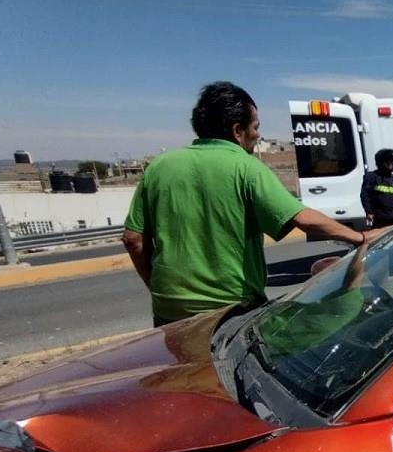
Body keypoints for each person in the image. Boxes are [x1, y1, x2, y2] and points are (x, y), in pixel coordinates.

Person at [122, 81, 369, 326]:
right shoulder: (246, 168)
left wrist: (158, 289)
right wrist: (360, 238)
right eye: (256, 126)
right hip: (230, 313)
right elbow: (302, 218)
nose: (258, 134)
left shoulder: (158, 167)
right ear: (237, 131)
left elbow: (133, 239)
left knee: (183, 367)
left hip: (169, 312)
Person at [360, 148, 393, 227]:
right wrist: (369, 211)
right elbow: (365, 195)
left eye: (392, 162)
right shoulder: (371, 177)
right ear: (380, 163)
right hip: (379, 220)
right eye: (387, 162)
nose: (390, 164)